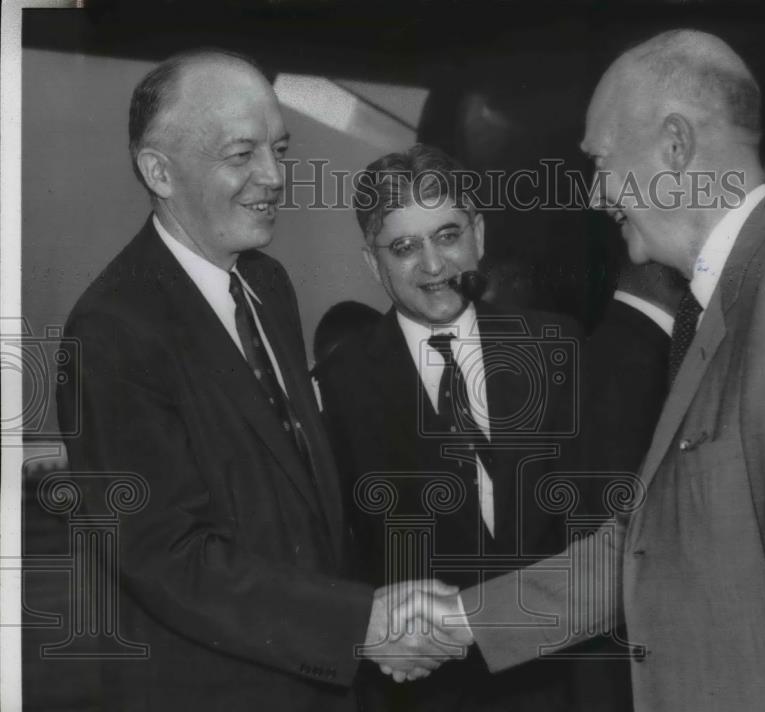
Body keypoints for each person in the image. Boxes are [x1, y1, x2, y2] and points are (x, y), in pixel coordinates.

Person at [437, 29, 765, 712]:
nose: (596, 195)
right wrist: (456, 622)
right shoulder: (729, 302)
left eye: (601, 160)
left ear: (676, 146)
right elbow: (646, 546)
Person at [55, 50, 466, 712]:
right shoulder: (111, 330)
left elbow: (298, 496)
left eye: (279, 149)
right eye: (242, 155)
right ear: (159, 171)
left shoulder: (266, 284)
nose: (274, 177)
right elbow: (167, 556)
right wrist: (360, 624)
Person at [324, 144, 594, 712]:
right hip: (424, 693)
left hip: (564, 682)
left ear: (479, 234)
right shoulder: (338, 386)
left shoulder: (555, 347)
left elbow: (595, 531)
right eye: (405, 247)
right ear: (373, 264)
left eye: (447, 235)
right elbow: (344, 560)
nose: (433, 266)